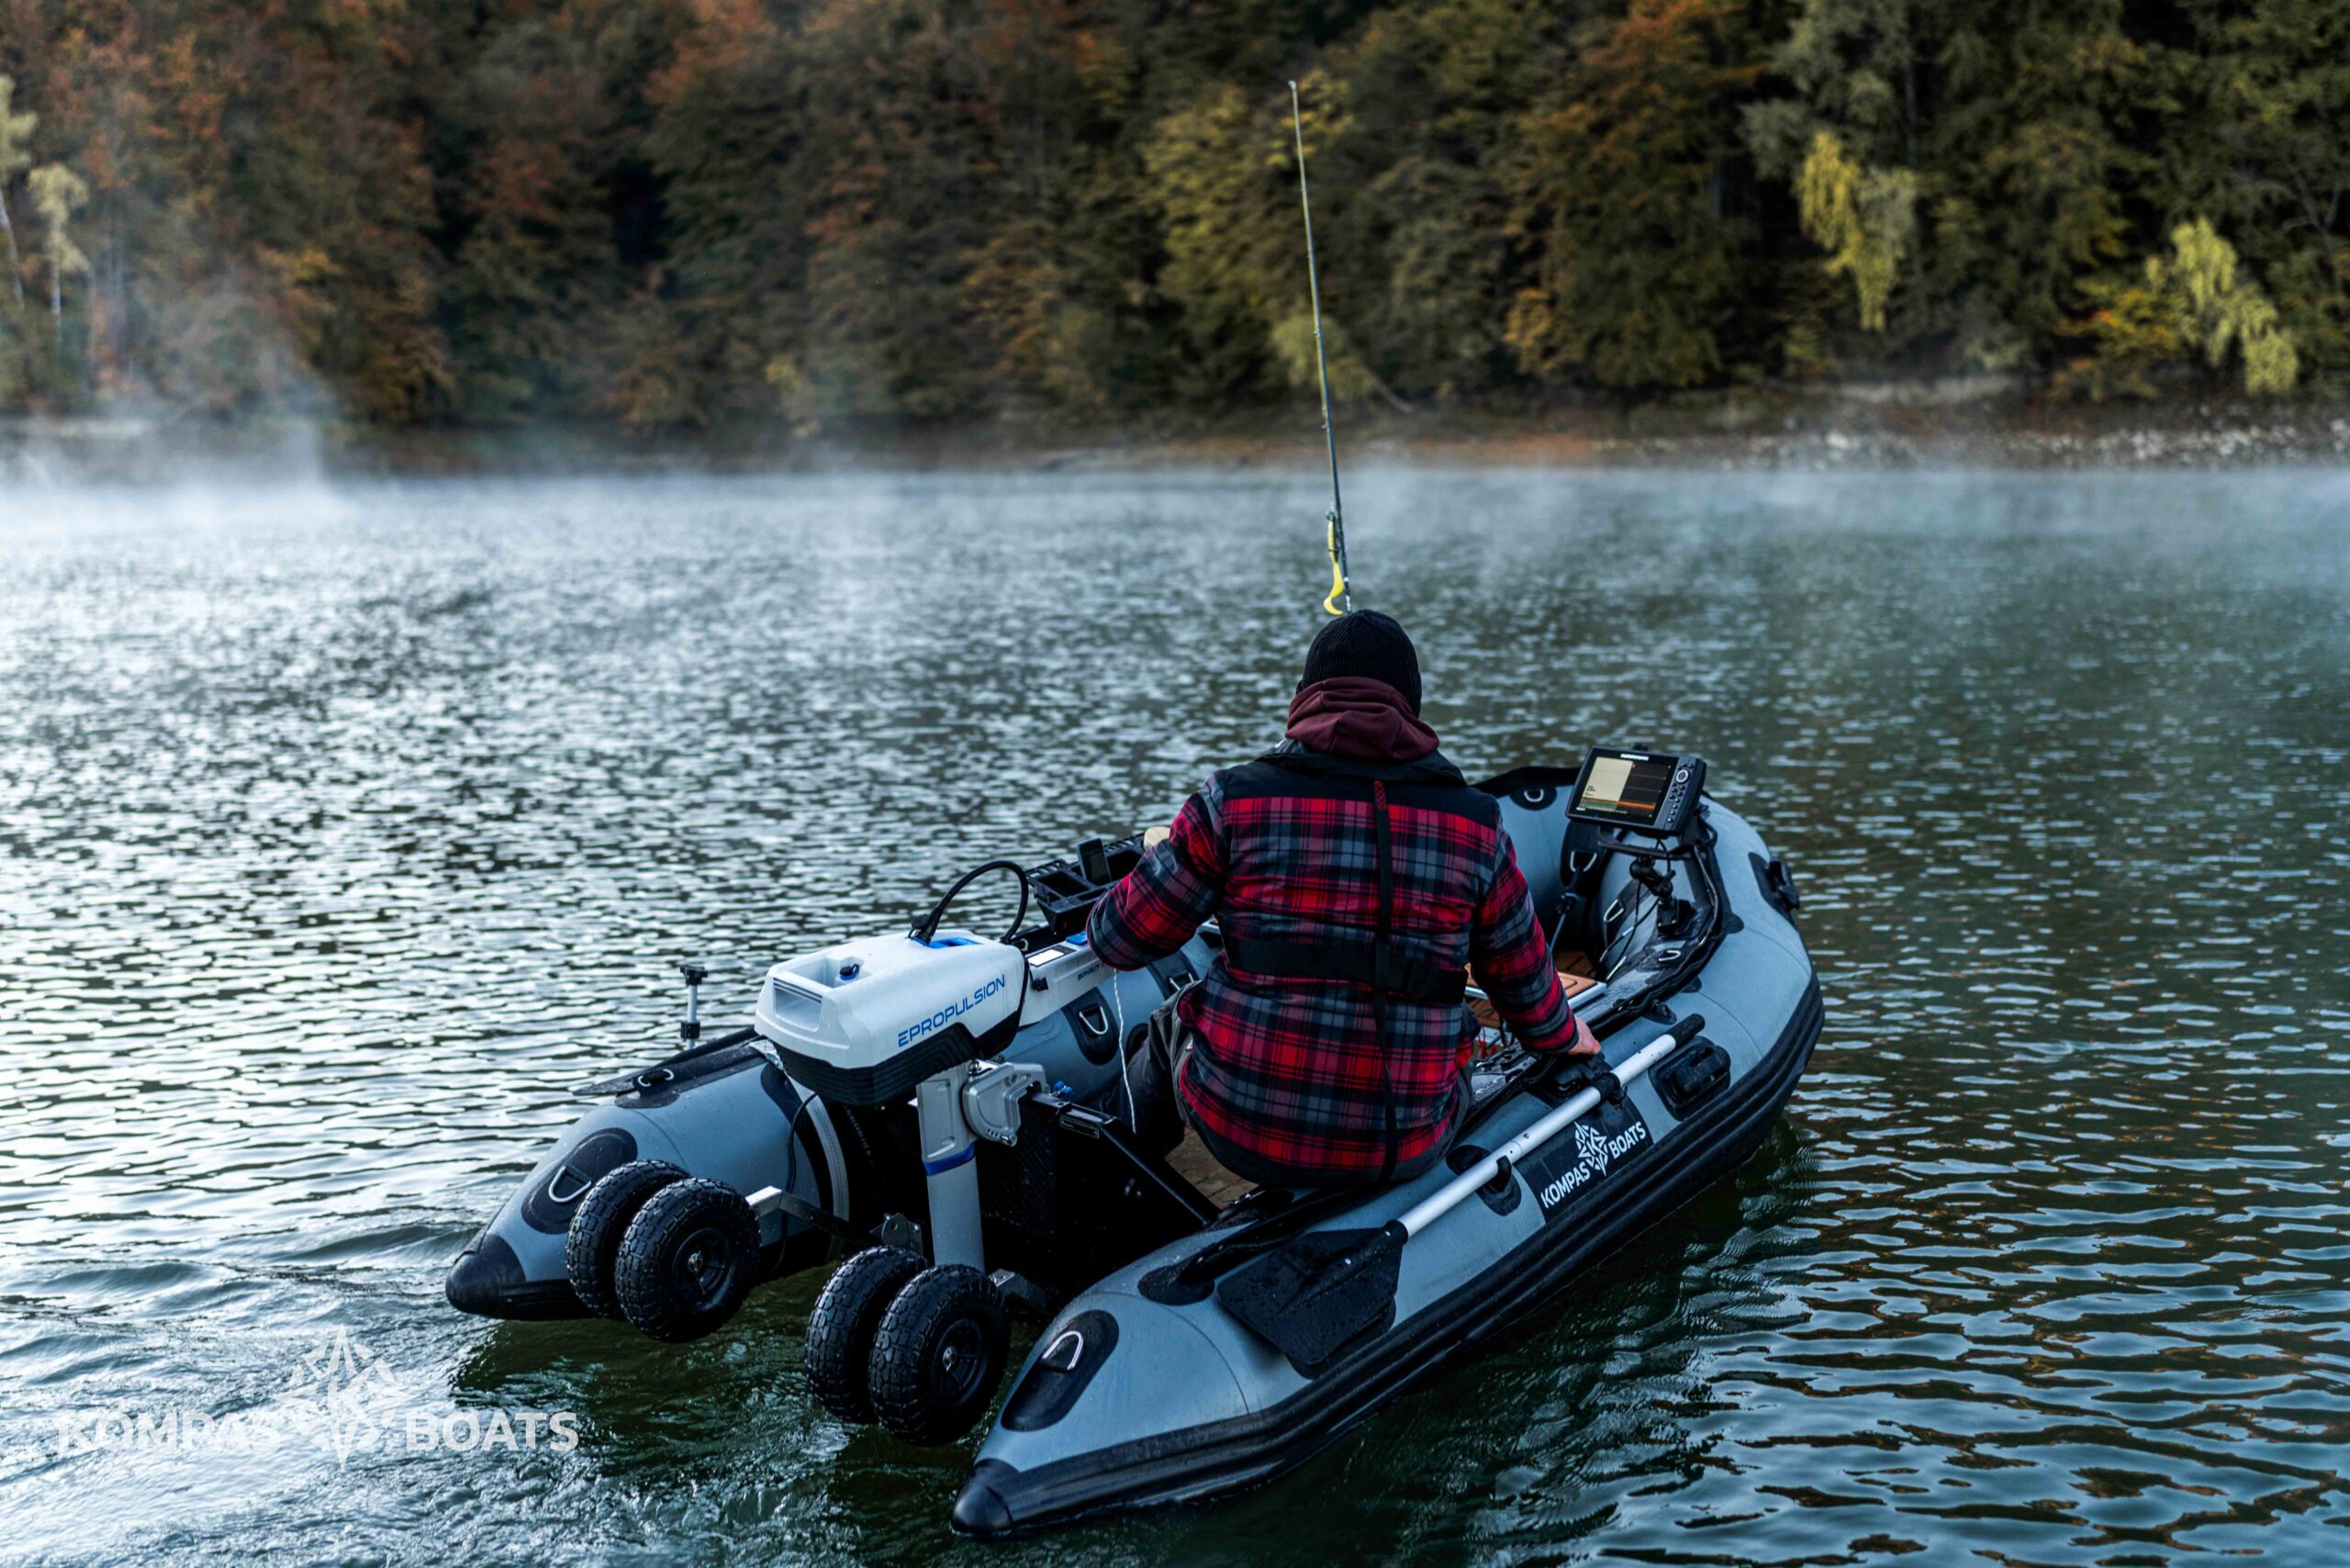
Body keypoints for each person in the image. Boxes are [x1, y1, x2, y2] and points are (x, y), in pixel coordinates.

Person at [1086, 610, 1598, 1189]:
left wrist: (1164, 854)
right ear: (1411, 706)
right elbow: (1525, 986)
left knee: (1167, 1027)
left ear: (1305, 697)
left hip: (1241, 1128)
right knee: (1454, 1025)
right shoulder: (1475, 823)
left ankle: (1109, 1203)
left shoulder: (1233, 800)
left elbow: (1116, 939)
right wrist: (1562, 1033)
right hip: (1404, 1144)